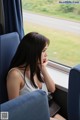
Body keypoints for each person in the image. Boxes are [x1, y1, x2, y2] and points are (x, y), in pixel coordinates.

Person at [7, 32, 65, 120]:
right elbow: (15, 110)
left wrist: (42, 68)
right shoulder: (15, 75)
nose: (46, 55)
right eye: (43, 51)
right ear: (33, 52)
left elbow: (52, 88)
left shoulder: (35, 68)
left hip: (47, 111)